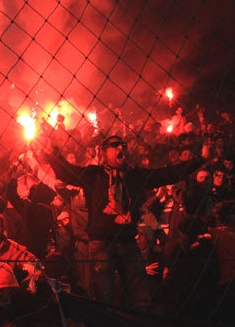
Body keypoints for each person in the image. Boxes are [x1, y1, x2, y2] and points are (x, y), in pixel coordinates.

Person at [40, 132, 209, 309]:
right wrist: (52, 153)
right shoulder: (94, 174)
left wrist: (201, 160)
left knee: (141, 299)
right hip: (101, 243)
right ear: (103, 153)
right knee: (106, 299)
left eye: (123, 145)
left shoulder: (135, 176)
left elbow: (168, 174)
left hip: (129, 241)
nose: (121, 147)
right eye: (115, 145)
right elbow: (67, 172)